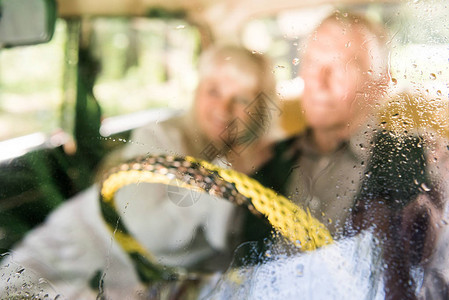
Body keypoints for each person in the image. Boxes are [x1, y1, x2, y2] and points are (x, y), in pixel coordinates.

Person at [0, 45, 278, 299]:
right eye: (213, 91)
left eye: (241, 99)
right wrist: (222, 178)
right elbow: (150, 233)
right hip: (64, 259)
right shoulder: (159, 136)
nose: (223, 108)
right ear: (197, 90)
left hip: (132, 282)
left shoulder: (265, 160)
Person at [251, 12, 448, 299]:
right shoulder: (268, 158)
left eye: (341, 65)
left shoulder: (421, 160)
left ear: (380, 83)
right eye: (311, 62)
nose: (319, 80)